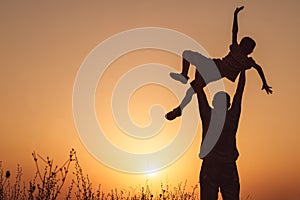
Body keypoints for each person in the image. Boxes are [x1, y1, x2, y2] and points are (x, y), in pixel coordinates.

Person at [165, 6, 272, 120]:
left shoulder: (245, 59)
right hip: (214, 69)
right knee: (192, 82)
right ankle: (180, 101)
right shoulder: (242, 55)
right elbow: (235, 32)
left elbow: (258, 67)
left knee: (192, 76)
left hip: (214, 70)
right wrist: (235, 15)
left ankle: (181, 97)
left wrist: (264, 83)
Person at [198, 70, 246, 200]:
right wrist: (242, 69)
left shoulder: (208, 115)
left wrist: (199, 71)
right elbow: (240, 91)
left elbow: (199, 91)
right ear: (229, 105)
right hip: (227, 167)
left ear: (213, 103)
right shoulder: (232, 116)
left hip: (211, 167)